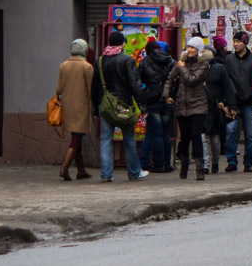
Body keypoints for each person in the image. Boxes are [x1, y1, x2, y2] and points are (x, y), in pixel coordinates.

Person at [91, 30, 149, 182]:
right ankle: (134, 172)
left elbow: (94, 87)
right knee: (129, 139)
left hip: (105, 105)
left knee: (106, 140)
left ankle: (106, 174)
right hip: (123, 105)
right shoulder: (127, 61)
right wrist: (143, 107)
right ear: (122, 43)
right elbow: (135, 85)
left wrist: (95, 107)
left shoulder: (100, 61)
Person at [164, 36, 209, 180]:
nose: (189, 50)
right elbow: (170, 78)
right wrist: (166, 95)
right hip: (182, 105)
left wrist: (182, 67)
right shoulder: (181, 63)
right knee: (184, 138)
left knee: (196, 136)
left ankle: (200, 168)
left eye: (193, 48)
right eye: (188, 47)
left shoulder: (203, 64)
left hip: (198, 105)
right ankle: (184, 166)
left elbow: (192, 80)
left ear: (199, 50)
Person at [222, 30, 252, 173]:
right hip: (233, 102)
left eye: (238, 41)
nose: (235, 44)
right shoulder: (229, 60)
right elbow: (226, 80)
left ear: (245, 43)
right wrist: (228, 99)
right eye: (234, 41)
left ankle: (248, 162)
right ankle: (232, 161)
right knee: (230, 132)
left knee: (250, 134)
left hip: (248, 102)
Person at [54, 39, 94, 181]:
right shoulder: (87, 67)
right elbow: (90, 90)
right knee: (77, 137)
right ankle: (64, 168)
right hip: (81, 106)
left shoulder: (63, 65)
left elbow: (58, 89)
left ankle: (81, 170)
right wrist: (94, 105)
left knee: (76, 136)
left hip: (67, 105)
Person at [138, 40, 176, 173]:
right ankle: (167, 163)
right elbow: (177, 80)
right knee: (165, 133)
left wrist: (143, 98)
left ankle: (159, 164)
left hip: (153, 101)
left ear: (147, 51)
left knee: (157, 134)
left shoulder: (145, 62)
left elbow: (139, 82)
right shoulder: (171, 61)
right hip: (168, 100)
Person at [201, 46, 235, 174]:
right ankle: (205, 163)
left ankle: (214, 162)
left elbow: (228, 88)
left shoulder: (219, 69)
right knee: (202, 137)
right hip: (202, 107)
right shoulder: (198, 70)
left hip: (215, 109)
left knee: (214, 139)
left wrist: (231, 105)